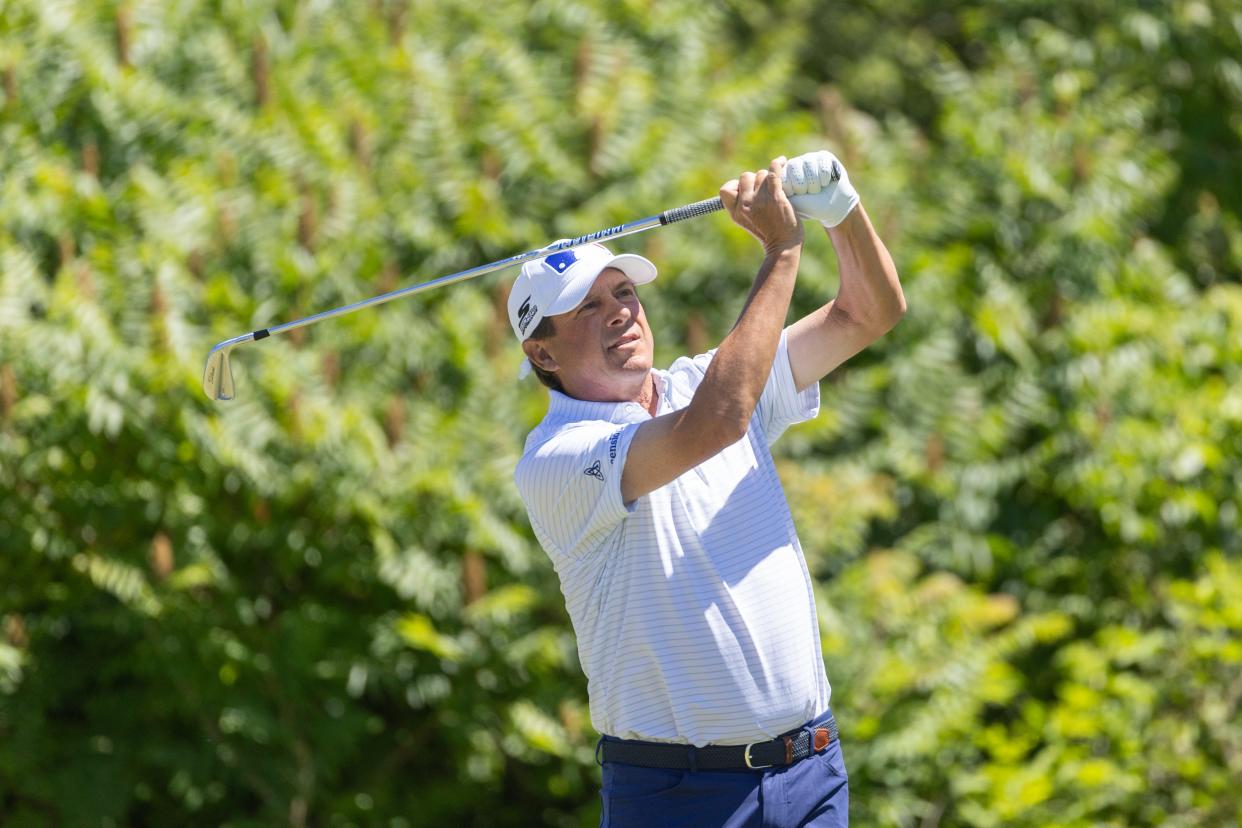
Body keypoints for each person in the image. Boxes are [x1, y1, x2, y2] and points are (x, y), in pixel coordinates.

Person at [506, 150, 905, 827]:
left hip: (811, 772)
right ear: (542, 354)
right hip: (677, 797)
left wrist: (842, 209)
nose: (620, 314)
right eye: (586, 309)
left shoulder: (705, 380)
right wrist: (781, 251)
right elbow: (717, 422)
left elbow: (870, 313)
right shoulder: (557, 458)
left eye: (624, 293)